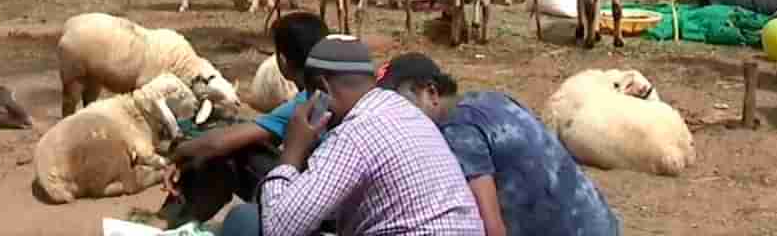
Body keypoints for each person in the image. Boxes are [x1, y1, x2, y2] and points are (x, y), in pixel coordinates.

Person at [223, 36, 483, 236]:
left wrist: (292, 149)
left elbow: (280, 228)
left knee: (245, 220)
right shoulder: (404, 111)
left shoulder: (355, 133)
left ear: (322, 89)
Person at [384, 53, 620, 236]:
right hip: (598, 221)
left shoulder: (457, 132)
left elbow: (492, 227)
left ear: (431, 92)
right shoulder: (491, 99)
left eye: (399, 102)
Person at [161, 13, 330, 227]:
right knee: (223, 140)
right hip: (330, 198)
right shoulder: (336, 90)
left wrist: (179, 152)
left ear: (283, 62)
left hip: (314, 207)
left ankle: (171, 223)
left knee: (227, 149)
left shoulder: (307, 102)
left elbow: (218, 143)